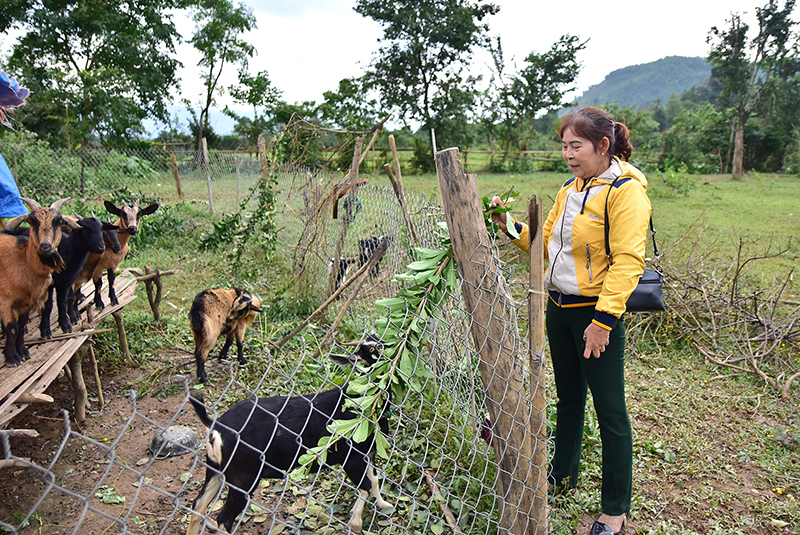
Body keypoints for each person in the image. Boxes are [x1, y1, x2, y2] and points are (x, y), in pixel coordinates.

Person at [490, 106, 651, 535]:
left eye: (575, 146)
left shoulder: (625, 191)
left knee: (610, 409)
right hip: (557, 306)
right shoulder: (569, 188)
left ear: (603, 145)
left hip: (594, 313)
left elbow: (629, 262)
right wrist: (509, 226)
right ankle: (563, 476)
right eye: (563, 146)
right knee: (568, 397)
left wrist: (603, 321)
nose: (568, 154)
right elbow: (546, 243)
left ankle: (614, 508)